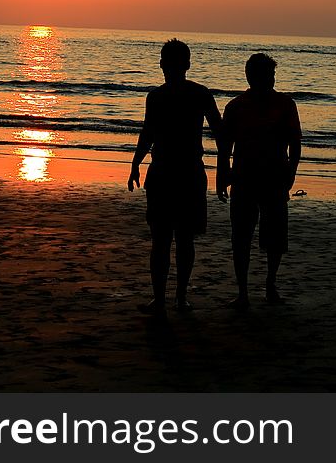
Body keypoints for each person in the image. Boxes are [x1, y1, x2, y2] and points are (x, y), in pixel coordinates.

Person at [128, 39, 222, 317]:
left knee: (165, 239)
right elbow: (220, 131)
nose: (162, 65)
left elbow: (148, 134)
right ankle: (176, 298)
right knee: (179, 238)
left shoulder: (160, 96)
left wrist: (136, 163)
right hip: (183, 172)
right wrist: (135, 163)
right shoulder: (195, 94)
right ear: (187, 64)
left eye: (164, 60)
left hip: (174, 172)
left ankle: (166, 298)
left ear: (166, 64)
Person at [216, 53, 302, 309]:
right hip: (243, 178)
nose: (270, 80)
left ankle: (270, 284)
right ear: (251, 76)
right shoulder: (236, 106)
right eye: (266, 75)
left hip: (275, 177)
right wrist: (222, 176)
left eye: (272, 75)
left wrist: (291, 173)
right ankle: (243, 291)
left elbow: (295, 142)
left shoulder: (285, 104)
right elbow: (225, 146)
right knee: (241, 236)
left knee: (274, 237)